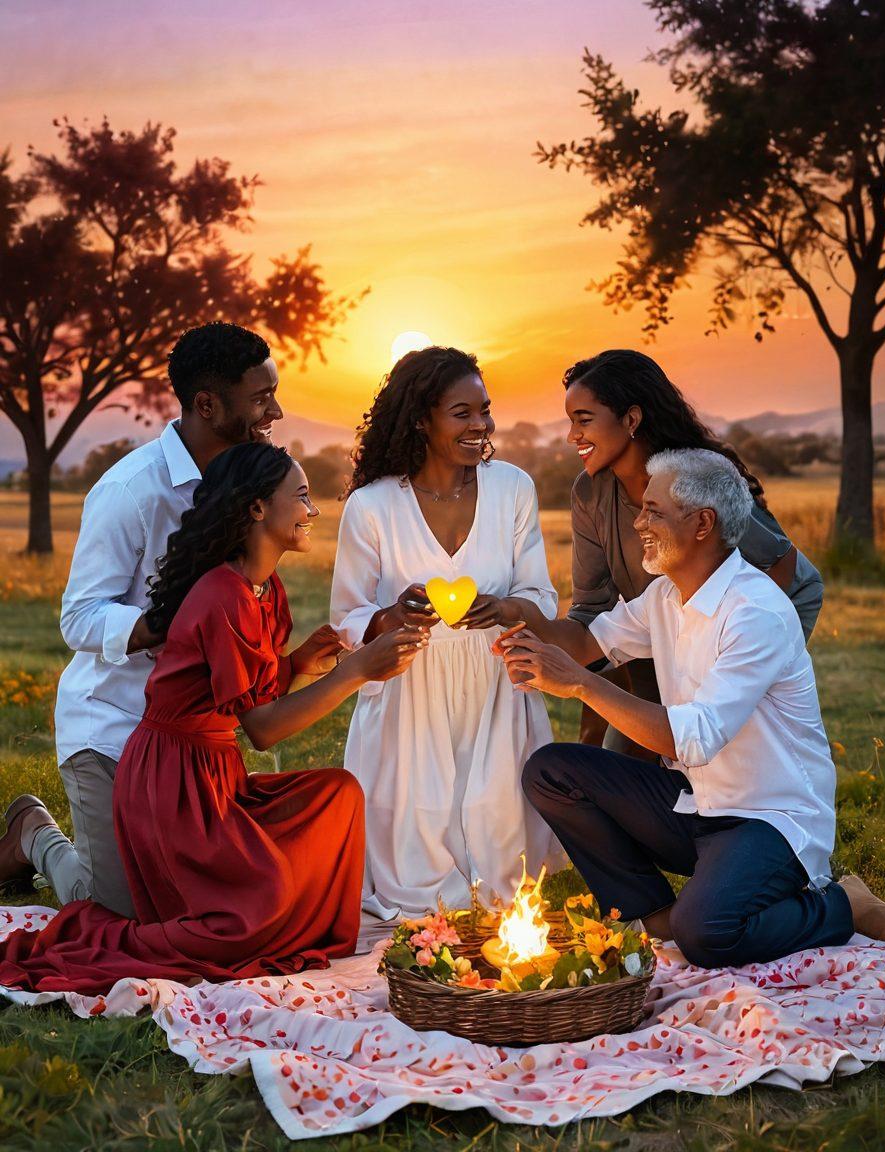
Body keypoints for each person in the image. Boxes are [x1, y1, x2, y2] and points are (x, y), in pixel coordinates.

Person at [0, 442, 425, 994]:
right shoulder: (221, 594)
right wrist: (357, 672)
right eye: (300, 496)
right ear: (255, 509)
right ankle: (79, 893)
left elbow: (249, 694)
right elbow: (263, 726)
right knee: (258, 898)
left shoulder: (266, 591)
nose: (313, 510)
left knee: (338, 794)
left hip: (214, 775)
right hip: (169, 783)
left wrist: (299, 664)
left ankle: (266, 923)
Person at [497, 448, 885, 968]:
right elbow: (584, 644)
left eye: (653, 511)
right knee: (551, 771)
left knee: (708, 935)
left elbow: (693, 736)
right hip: (695, 803)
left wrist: (579, 686)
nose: (638, 521)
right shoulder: (666, 595)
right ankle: (654, 914)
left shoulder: (756, 612)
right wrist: (510, 617)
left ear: (703, 523)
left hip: (768, 820)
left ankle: (842, 903)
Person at [0, 321, 303, 913]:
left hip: (187, 746)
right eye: (261, 398)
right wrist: (166, 625)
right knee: (116, 909)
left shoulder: (247, 486)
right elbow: (79, 618)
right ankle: (33, 833)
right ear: (207, 405)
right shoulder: (131, 491)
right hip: (112, 729)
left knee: (207, 902)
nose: (278, 411)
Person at [330, 346, 563, 919]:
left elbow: (544, 601)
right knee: (418, 850)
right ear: (420, 418)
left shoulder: (512, 488)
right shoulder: (373, 505)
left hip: (496, 683)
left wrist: (503, 608)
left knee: (496, 832)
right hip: (412, 692)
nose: (480, 424)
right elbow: (347, 617)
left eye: (485, 409)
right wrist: (393, 617)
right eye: (462, 412)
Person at [557, 350, 824, 753]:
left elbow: (781, 567)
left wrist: (701, 660)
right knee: (610, 759)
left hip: (740, 624)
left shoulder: (696, 480)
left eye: (584, 420)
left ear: (631, 419)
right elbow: (592, 610)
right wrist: (518, 618)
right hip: (653, 633)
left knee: (710, 746)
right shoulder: (589, 492)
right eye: (570, 421)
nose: (572, 435)